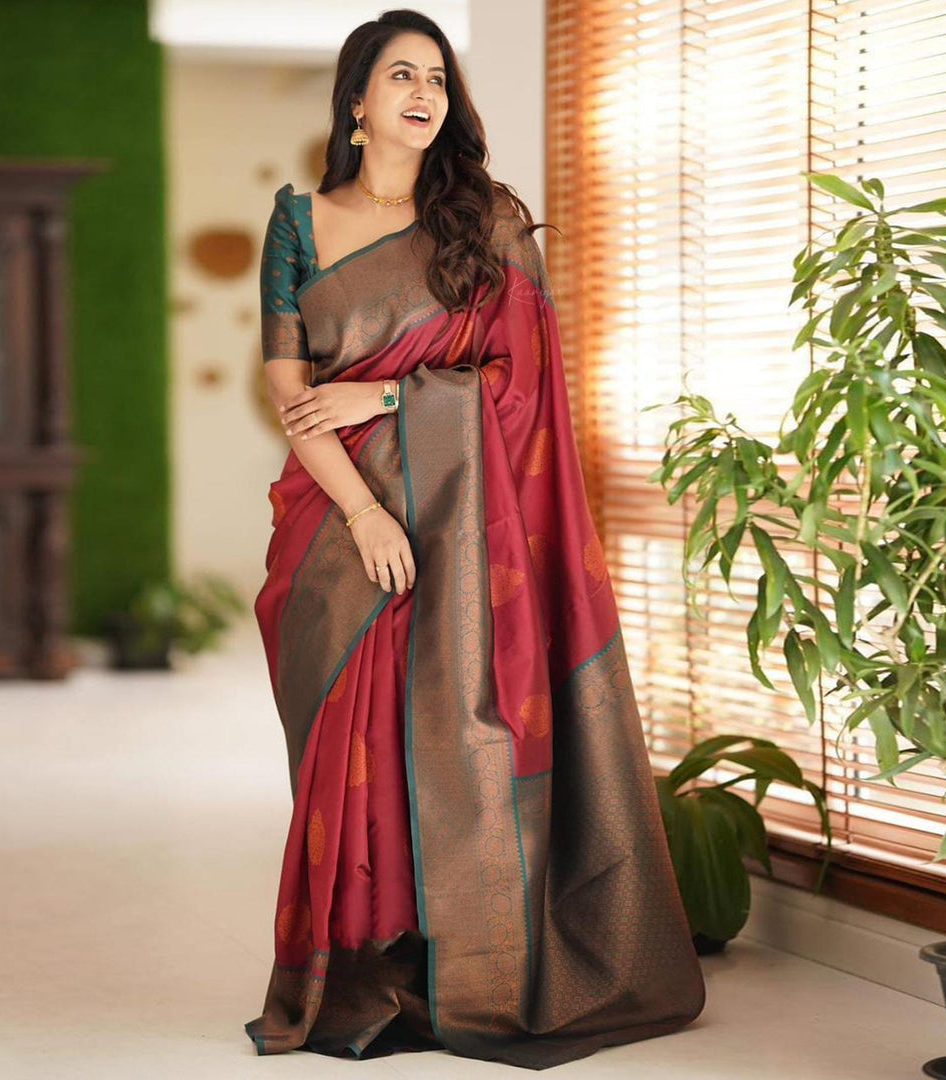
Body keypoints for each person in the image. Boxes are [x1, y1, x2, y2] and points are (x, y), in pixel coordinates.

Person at [244, 8, 706, 1070]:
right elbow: (290, 393)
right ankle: (365, 974)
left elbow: (525, 382)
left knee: (466, 734)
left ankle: (477, 967)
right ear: (357, 101)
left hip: (466, 529)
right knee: (351, 754)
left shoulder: (486, 221)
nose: (424, 93)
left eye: (438, 79)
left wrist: (386, 396)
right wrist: (365, 512)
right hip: (338, 529)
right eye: (400, 75)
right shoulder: (297, 221)